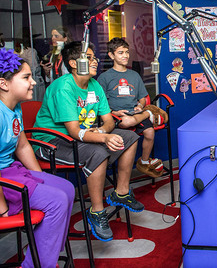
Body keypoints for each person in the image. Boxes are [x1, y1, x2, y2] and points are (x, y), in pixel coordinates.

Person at [32, 41, 143, 242]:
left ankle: (121, 192)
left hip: (82, 136)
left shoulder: (95, 85)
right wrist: (103, 137)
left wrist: (101, 131)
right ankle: (97, 211)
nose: (95, 62)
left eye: (94, 58)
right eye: (89, 58)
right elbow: (74, 131)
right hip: (51, 141)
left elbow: (108, 121)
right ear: (74, 63)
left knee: (130, 137)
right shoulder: (63, 87)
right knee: (98, 152)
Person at [0, 48, 75, 268]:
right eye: (26, 77)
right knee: (56, 201)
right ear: (4, 84)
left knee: (67, 189)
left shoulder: (14, 108)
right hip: (3, 182)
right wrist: (2, 208)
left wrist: (40, 179)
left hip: (12, 170)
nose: (33, 82)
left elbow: (22, 146)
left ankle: (44, 250)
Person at [98, 37, 165, 178]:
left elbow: (142, 97)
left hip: (135, 113)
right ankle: (150, 113)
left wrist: (140, 106)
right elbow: (100, 103)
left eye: (127, 52)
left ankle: (144, 162)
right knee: (127, 124)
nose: (125, 56)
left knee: (150, 133)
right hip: (116, 116)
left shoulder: (134, 75)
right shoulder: (104, 77)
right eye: (121, 53)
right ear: (111, 55)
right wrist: (113, 112)